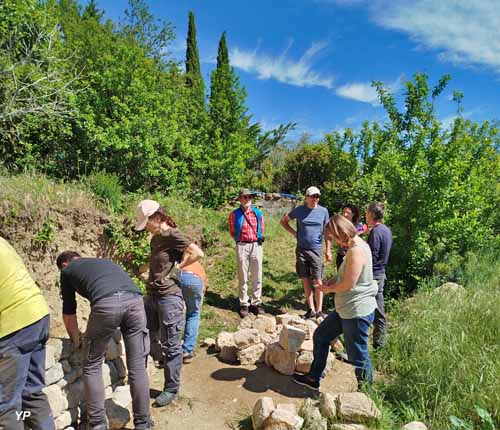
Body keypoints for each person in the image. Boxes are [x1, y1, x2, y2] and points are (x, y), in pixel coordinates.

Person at [56, 252, 152, 430]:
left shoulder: (67, 270)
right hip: (136, 302)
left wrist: (76, 341)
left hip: (107, 304)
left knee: (92, 366)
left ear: (64, 264)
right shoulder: (103, 262)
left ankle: (98, 425)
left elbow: (69, 312)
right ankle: (143, 423)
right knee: (137, 365)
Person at [291, 214, 378, 391]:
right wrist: (331, 281)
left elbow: (348, 284)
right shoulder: (357, 245)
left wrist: (328, 289)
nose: (335, 241)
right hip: (345, 308)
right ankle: (313, 378)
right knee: (321, 336)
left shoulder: (356, 251)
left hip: (356, 311)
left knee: (358, 355)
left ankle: (366, 394)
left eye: (334, 237)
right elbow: (346, 276)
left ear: (341, 233)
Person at [135, 200, 204, 407]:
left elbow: (198, 253)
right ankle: (158, 365)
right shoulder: (155, 239)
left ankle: (171, 388)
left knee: (171, 344)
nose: (146, 226)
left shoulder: (172, 234)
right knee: (148, 334)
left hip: (169, 296)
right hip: (153, 294)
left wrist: (177, 269)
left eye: (147, 222)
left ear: (157, 217)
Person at [0, 237, 55, 430]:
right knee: (31, 391)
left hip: (14, 325)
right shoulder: (2, 242)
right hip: (37, 314)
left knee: (6, 403)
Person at [280, 186, 331, 319]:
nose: (315, 199)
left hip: (316, 250)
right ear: (306, 197)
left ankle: (319, 310)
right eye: (313, 196)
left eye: (317, 197)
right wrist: (294, 234)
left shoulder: (323, 211)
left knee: (318, 280)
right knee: (305, 279)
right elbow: (283, 221)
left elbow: (327, 231)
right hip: (301, 249)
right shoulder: (299, 210)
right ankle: (311, 309)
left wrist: (328, 249)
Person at [228, 189, 265, 318]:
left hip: (256, 245)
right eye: (245, 197)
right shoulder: (234, 214)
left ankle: (256, 302)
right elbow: (232, 231)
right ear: (240, 199)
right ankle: (244, 303)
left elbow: (262, 227)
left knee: (257, 275)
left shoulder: (258, 213)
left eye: (249, 197)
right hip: (242, 245)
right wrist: (240, 241)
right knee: (243, 275)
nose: (248, 199)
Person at [366, 201, 393, 349]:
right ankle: (378, 343)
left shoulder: (376, 232)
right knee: (377, 310)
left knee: (373, 311)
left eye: (366, 212)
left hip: (373, 275)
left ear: (370, 214)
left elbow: (372, 256)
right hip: (381, 273)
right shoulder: (386, 230)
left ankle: (379, 345)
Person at [179, 258, 207, 364]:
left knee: (177, 313)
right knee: (194, 314)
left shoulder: (179, 262)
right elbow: (202, 292)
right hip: (196, 279)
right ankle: (187, 351)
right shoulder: (200, 268)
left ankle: (173, 349)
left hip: (179, 276)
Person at [336, 204, 368, 270]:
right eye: (343, 212)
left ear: (353, 214)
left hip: (354, 256)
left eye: (347, 212)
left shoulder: (359, 226)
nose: (345, 214)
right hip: (341, 256)